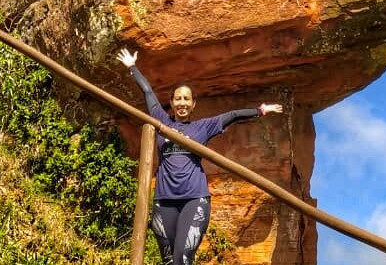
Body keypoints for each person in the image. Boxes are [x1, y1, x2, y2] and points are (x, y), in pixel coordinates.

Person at [117, 47, 283, 265]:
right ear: (172, 102)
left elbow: (232, 116)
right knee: (169, 261)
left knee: (182, 258)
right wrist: (132, 67)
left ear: (193, 104)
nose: (182, 103)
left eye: (187, 99)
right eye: (178, 98)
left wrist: (260, 110)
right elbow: (148, 93)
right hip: (164, 200)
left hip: (194, 199)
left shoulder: (203, 127)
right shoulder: (162, 121)